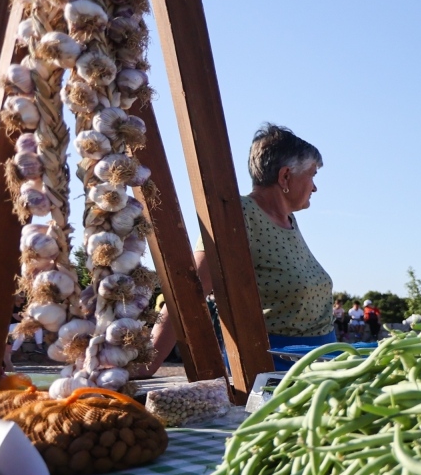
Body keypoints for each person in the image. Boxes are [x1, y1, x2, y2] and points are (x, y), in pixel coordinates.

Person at [137, 124, 334, 372]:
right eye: (312, 175)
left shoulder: (288, 220)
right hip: (277, 370)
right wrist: (148, 362)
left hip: (318, 365)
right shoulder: (241, 214)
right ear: (285, 176)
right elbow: (191, 288)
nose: (315, 187)